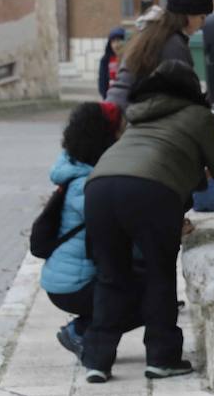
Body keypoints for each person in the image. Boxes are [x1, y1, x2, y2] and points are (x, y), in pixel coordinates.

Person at [82, 61, 214, 384]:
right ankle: (161, 358)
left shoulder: (137, 116)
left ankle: (97, 360)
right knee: (159, 274)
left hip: (99, 187)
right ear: (191, 90)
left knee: (110, 276)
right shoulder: (197, 116)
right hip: (151, 192)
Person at [40, 102, 143, 356]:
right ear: (105, 136)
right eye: (120, 131)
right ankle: (81, 331)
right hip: (72, 284)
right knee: (144, 302)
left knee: (137, 292)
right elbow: (114, 222)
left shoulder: (76, 165)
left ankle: (85, 328)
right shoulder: (85, 183)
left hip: (69, 277)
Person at [106, 0, 214, 110]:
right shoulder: (173, 44)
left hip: (117, 110)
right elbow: (188, 98)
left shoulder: (153, 32)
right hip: (128, 119)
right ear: (188, 14)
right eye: (202, 17)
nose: (203, 24)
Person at [96, 28, 126, 99]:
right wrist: (106, 97)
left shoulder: (130, 58)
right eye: (113, 41)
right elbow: (102, 82)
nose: (116, 45)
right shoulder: (105, 60)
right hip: (110, 98)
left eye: (118, 40)